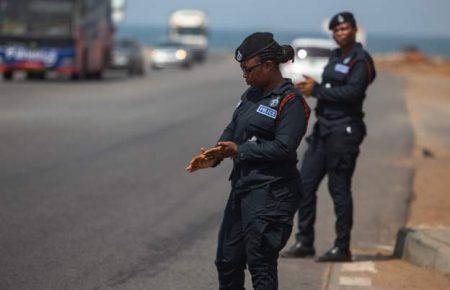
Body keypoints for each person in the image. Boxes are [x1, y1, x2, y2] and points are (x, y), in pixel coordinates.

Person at [186, 32, 310, 290]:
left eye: (248, 69)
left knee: (261, 264)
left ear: (268, 66)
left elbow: (284, 147)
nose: (244, 74)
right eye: (241, 69)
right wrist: (215, 154)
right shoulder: (250, 95)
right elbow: (233, 128)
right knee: (227, 261)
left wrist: (238, 151)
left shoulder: (291, 101)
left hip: (272, 193)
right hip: (243, 188)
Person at [281, 11, 376, 262]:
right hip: (323, 129)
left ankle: (342, 247)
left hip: (344, 131)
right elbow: (332, 84)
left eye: (345, 28)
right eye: (336, 30)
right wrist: (315, 85)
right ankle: (304, 241)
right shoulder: (335, 55)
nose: (341, 33)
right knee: (305, 184)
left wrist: (319, 90)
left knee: (339, 189)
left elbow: (353, 93)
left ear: (354, 30)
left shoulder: (361, 59)